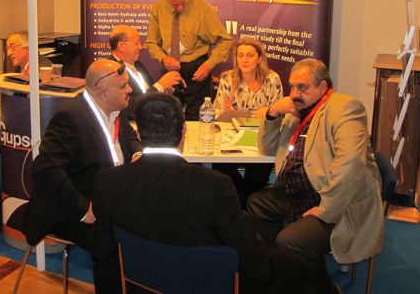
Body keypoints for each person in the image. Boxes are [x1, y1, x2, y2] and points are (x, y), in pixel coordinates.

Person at [94, 92, 307, 294]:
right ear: (184, 130)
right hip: (205, 281)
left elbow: (104, 251)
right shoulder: (215, 186)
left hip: (139, 279)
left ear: (139, 135)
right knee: (294, 265)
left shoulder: (108, 181)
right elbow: (251, 257)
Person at [246, 58, 384, 294]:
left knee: (292, 240)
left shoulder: (345, 108)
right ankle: (284, 272)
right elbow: (267, 149)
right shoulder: (296, 110)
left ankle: (325, 289)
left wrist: (327, 209)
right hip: (300, 192)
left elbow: (350, 164)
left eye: (302, 87)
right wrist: (272, 113)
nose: (294, 94)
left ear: (322, 87)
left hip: (335, 200)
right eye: (292, 87)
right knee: (257, 204)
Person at [22, 59, 143, 293]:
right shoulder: (70, 117)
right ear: (103, 92)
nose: (130, 90)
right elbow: (46, 169)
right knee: (112, 239)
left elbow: (129, 136)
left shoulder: (116, 107)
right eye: (123, 86)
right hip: (73, 207)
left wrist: (137, 152)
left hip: (109, 197)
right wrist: (83, 210)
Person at [145, 0, 232, 120]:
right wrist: (163, 58)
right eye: (175, 4)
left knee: (196, 118)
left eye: (183, 2)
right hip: (169, 71)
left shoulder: (202, 8)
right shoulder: (157, 9)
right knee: (169, 117)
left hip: (196, 71)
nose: (180, 7)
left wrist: (209, 65)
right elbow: (151, 43)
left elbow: (225, 40)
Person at [212, 37, 282, 204]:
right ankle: (246, 205)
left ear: (259, 58)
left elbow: (277, 114)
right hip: (231, 139)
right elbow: (219, 114)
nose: (244, 60)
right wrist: (256, 113)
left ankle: (245, 206)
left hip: (261, 139)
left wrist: (236, 112)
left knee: (257, 178)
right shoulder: (228, 78)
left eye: (250, 55)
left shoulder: (272, 79)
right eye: (240, 55)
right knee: (221, 170)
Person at [108, 24, 183, 117]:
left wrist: (165, 90)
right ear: (122, 46)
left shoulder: (137, 64)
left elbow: (148, 91)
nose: (141, 47)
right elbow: (128, 108)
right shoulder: (112, 71)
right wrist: (159, 86)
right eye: (136, 43)